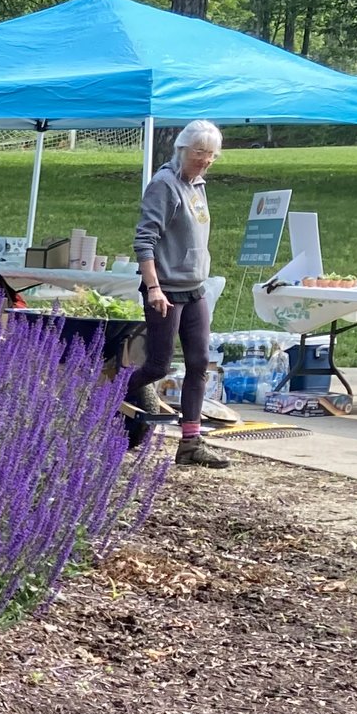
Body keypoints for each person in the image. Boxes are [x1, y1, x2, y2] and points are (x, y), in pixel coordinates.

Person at [130, 120, 227, 469]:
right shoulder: (164, 185)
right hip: (166, 290)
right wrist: (153, 287)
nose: (205, 160)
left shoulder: (197, 185)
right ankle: (104, 396)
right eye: (199, 153)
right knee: (158, 365)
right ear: (182, 150)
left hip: (194, 288)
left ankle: (190, 443)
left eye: (211, 155)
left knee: (199, 363)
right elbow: (145, 240)